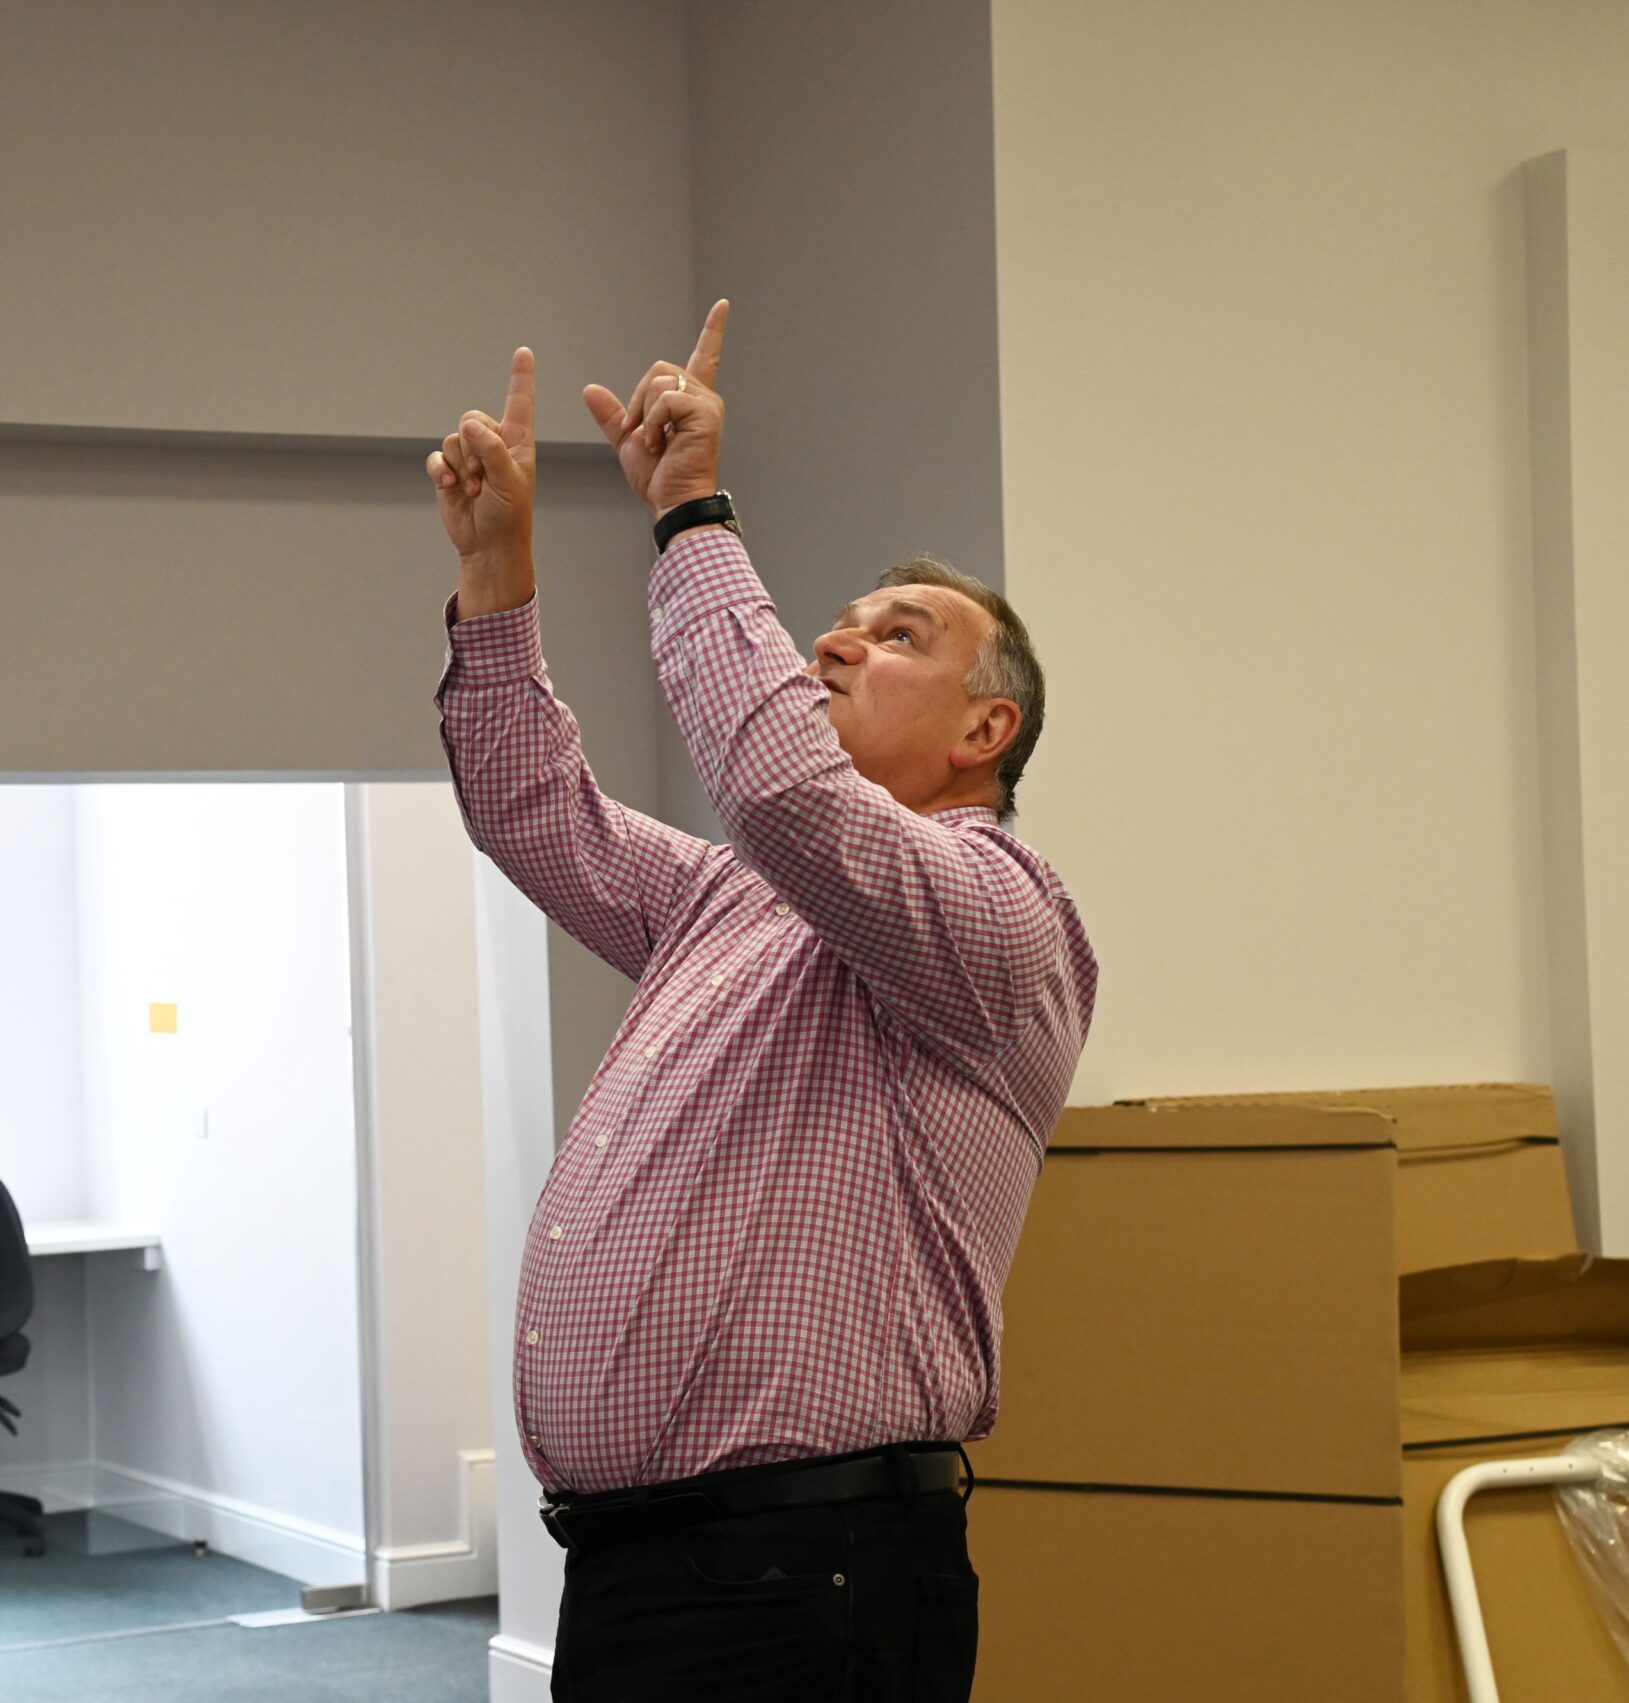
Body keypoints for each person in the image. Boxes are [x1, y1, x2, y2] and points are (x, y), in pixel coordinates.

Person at [425, 301, 1097, 1702]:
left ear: (988, 730)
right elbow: (534, 814)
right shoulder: (737, 898)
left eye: (894, 636)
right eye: (835, 628)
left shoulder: (1007, 919)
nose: (834, 647)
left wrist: (691, 516)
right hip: (646, 1572)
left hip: (812, 1575)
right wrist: (501, 582)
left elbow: (784, 789)